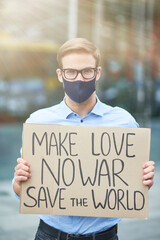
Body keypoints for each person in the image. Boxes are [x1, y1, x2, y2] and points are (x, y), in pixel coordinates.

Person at [13, 38, 154, 240]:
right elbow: (20, 191)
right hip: (50, 235)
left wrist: (143, 180)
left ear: (97, 73)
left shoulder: (124, 122)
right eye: (71, 72)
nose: (79, 79)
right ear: (60, 75)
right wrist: (20, 181)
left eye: (87, 71)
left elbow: (132, 184)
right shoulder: (38, 122)